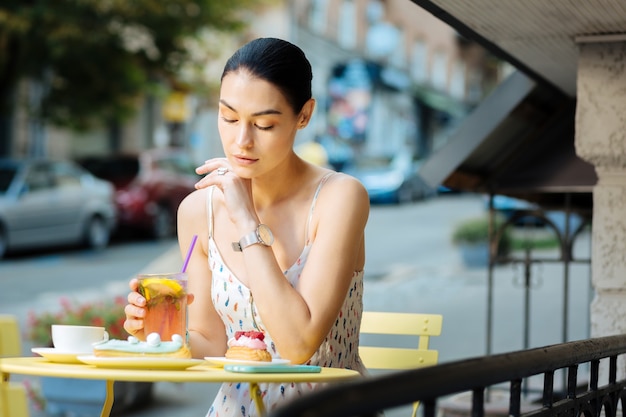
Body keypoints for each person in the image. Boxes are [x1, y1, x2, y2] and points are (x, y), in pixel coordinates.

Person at [123, 37, 370, 416]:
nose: (241, 141)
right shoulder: (197, 211)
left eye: (264, 124)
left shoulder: (340, 197)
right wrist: (157, 334)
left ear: (304, 116)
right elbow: (210, 342)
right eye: (229, 117)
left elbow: (299, 343)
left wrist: (245, 219)